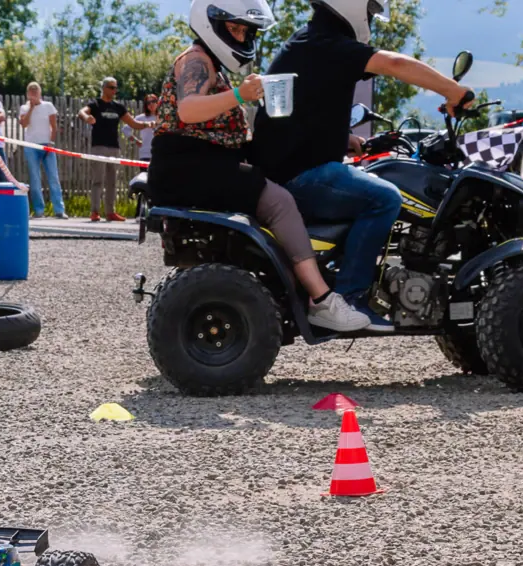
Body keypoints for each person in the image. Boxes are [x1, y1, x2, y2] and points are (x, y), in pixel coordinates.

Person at [252, 0, 474, 332]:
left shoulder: (310, 39)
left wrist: (345, 139)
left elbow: (305, 108)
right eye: (369, 11)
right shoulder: (330, 43)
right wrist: (454, 90)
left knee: (369, 182)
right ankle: (348, 299)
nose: (370, 18)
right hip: (300, 177)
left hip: (287, 170)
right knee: (385, 198)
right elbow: (395, 63)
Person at [149, 0, 370, 332]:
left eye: (244, 30)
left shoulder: (210, 63)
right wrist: (240, 94)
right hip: (188, 167)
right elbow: (189, 110)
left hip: (198, 165)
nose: (240, 36)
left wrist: (339, 138)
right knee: (280, 201)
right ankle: (322, 299)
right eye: (234, 28)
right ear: (213, 24)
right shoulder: (196, 61)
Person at [79, 77, 150, 222]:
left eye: (115, 88)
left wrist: (149, 125)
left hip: (114, 148)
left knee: (112, 181)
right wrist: (87, 118)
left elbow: (134, 123)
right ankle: (95, 212)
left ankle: (110, 212)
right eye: (111, 87)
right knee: (97, 180)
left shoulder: (118, 107)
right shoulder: (95, 104)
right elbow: (82, 112)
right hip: (98, 147)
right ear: (104, 88)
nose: (114, 90)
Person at [18, 82, 67, 219]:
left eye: (36, 90)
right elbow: (24, 124)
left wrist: (51, 142)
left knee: (53, 177)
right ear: (27, 94)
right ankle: (39, 210)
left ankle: (59, 209)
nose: (33, 93)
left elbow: (54, 125)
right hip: (31, 146)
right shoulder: (24, 108)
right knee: (35, 178)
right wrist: (31, 108)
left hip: (47, 145)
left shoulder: (48, 106)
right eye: (31, 91)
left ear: (40, 92)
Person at [123, 95, 159, 163]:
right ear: (146, 105)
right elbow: (125, 129)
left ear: (158, 102)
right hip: (145, 154)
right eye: (148, 103)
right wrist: (136, 141)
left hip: (160, 154)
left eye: (153, 101)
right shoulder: (141, 118)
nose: (151, 104)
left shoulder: (163, 117)